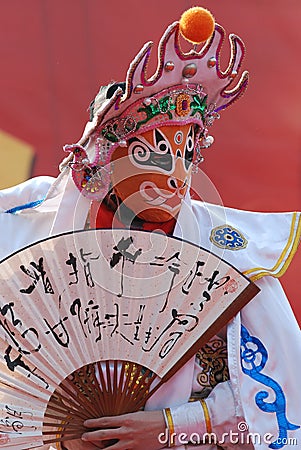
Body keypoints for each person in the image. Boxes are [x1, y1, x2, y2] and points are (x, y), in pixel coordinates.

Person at [0, 6, 300, 450]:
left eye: (187, 153)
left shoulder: (230, 259)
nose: (178, 175)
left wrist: (172, 426)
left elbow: (284, 392)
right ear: (106, 158)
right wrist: (56, 436)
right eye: (154, 153)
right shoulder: (27, 228)